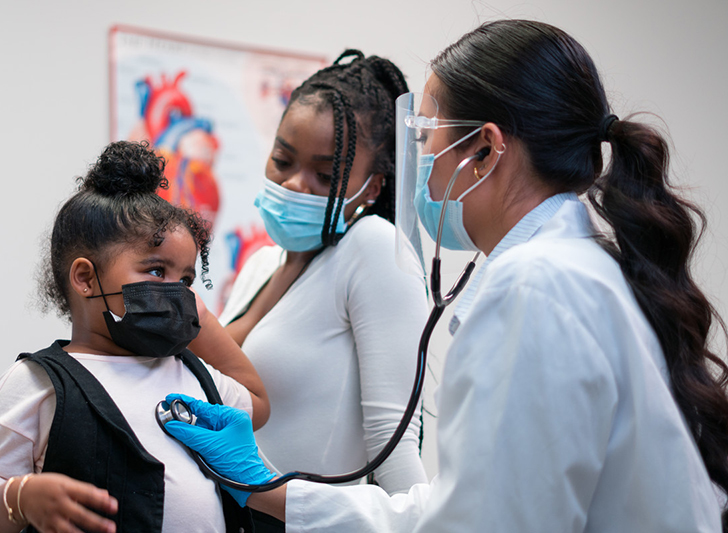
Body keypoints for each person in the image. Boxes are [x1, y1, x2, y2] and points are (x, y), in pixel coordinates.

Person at [164, 20, 728, 532]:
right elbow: (456, 510)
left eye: (425, 135)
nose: (420, 160)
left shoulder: (537, 288)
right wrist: (271, 488)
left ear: (482, 149)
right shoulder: (573, 272)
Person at [0, 141, 270, 533]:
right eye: (156, 271)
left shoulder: (191, 373)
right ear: (86, 278)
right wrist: (20, 497)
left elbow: (257, 402)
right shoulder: (36, 384)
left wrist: (197, 314)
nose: (178, 292)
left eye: (186, 279)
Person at [213, 49, 430, 531]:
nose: (295, 184)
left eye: (325, 175)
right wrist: (288, 270)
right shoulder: (260, 264)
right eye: (282, 159)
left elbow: (392, 446)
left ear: (371, 189)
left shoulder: (372, 249)